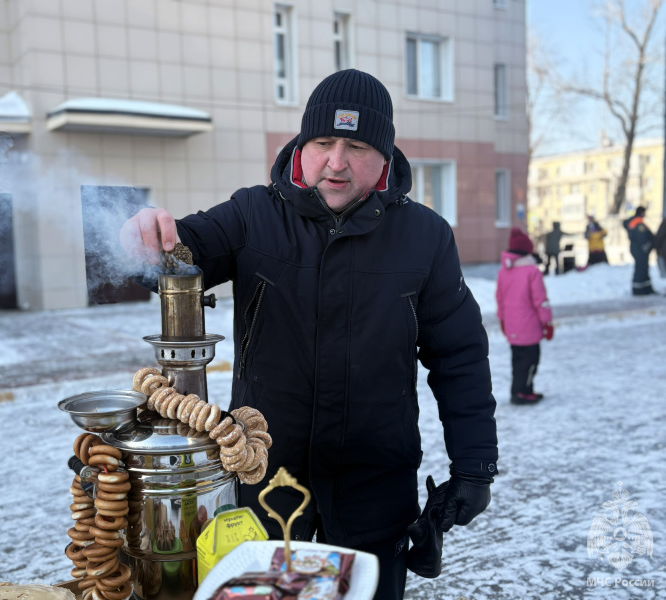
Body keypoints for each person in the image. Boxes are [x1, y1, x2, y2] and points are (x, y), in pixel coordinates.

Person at [120, 69, 498, 599]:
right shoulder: (252, 214)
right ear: (302, 146)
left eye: (357, 146)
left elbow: (460, 357)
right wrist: (147, 235)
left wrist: (475, 466)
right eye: (323, 142)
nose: (336, 162)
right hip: (266, 478)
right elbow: (180, 253)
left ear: (385, 156)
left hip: (375, 486)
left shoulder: (426, 238)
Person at [495, 228, 554, 405]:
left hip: (512, 326)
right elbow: (540, 300)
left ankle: (518, 390)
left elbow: (500, 298)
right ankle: (523, 392)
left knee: (517, 361)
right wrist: (547, 322)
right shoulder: (532, 271)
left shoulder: (504, 272)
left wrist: (502, 320)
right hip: (530, 327)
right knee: (531, 362)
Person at [623, 206, 655, 295]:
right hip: (639, 249)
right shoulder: (637, 222)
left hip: (638, 248)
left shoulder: (636, 221)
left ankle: (646, 288)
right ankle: (638, 290)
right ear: (642, 213)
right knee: (640, 269)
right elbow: (641, 236)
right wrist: (646, 245)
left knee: (643, 268)